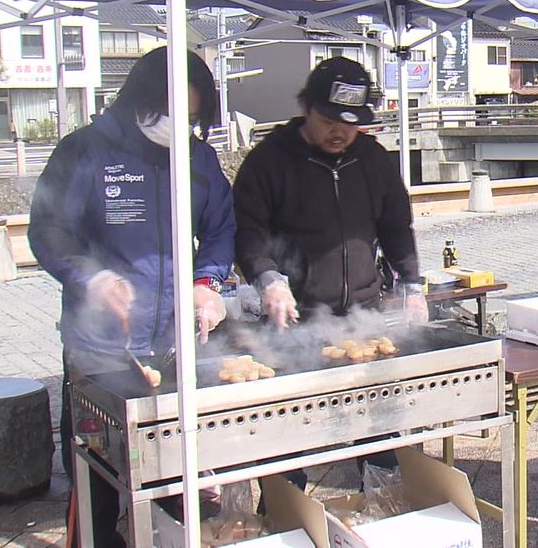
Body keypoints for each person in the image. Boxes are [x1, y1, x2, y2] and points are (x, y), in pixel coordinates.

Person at [29, 47, 234, 548]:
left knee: (171, 472)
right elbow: (49, 229)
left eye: (190, 118)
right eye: (170, 115)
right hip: (101, 349)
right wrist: (91, 278)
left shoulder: (198, 157)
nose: (178, 127)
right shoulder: (86, 151)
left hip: (173, 343)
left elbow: (221, 228)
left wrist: (206, 283)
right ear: (140, 101)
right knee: (97, 477)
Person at [232, 56, 422, 497]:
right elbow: (248, 231)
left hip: (363, 315)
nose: (340, 132)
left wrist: (411, 283)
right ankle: (285, 511)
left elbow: (396, 226)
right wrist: (268, 278)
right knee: (289, 434)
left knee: (379, 424)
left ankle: (382, 505)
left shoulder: (373, 159)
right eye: (329, 120)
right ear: (306, 107)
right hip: (292, 318)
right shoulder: (270, 160)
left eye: (351, 123)